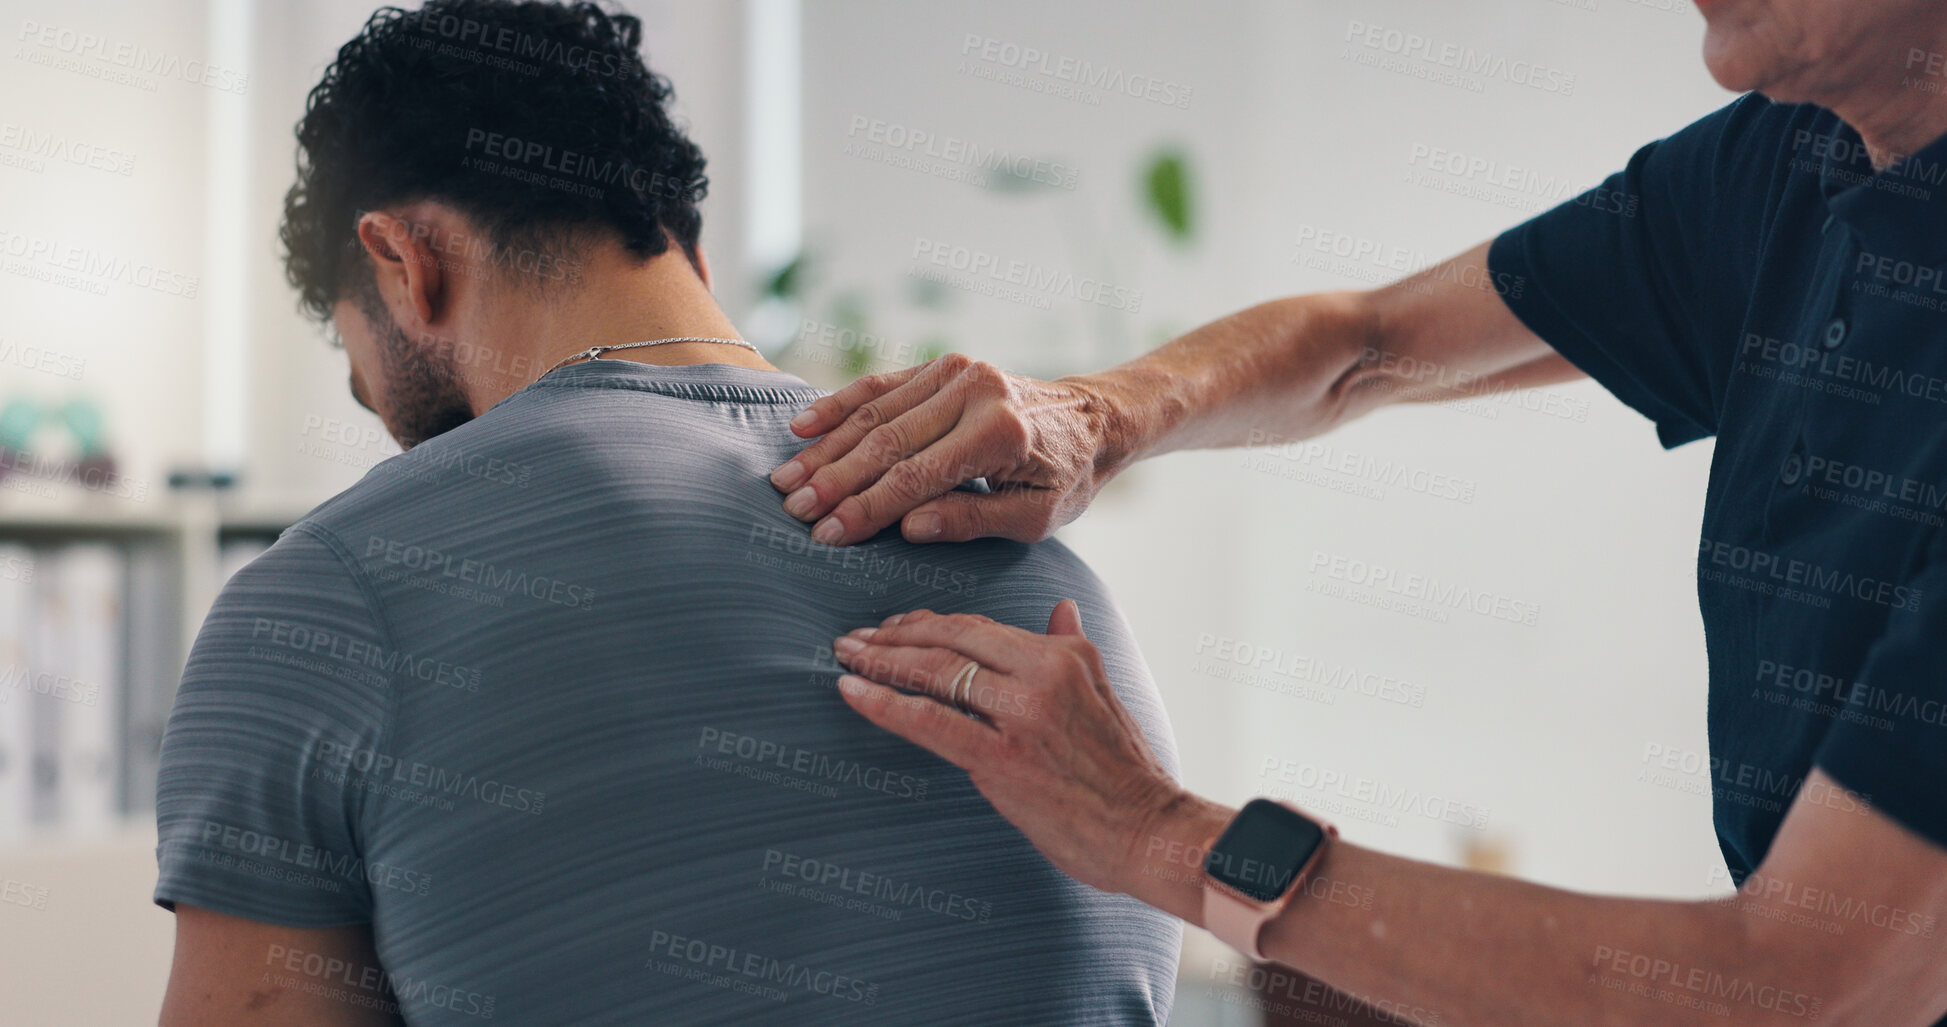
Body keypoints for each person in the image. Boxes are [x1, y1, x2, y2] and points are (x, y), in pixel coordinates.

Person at [786, 1, 1947, 1023]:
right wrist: (1098, 418)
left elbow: (1811, 988)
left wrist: (1155, 834)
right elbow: (1371, 344)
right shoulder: (1788, 161)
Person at [152, 3, 1182, 1024]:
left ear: (403, 262)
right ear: (687, 250)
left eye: (357, 376)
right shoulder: (1044, 577)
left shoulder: (327, 598)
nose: (382, 419)